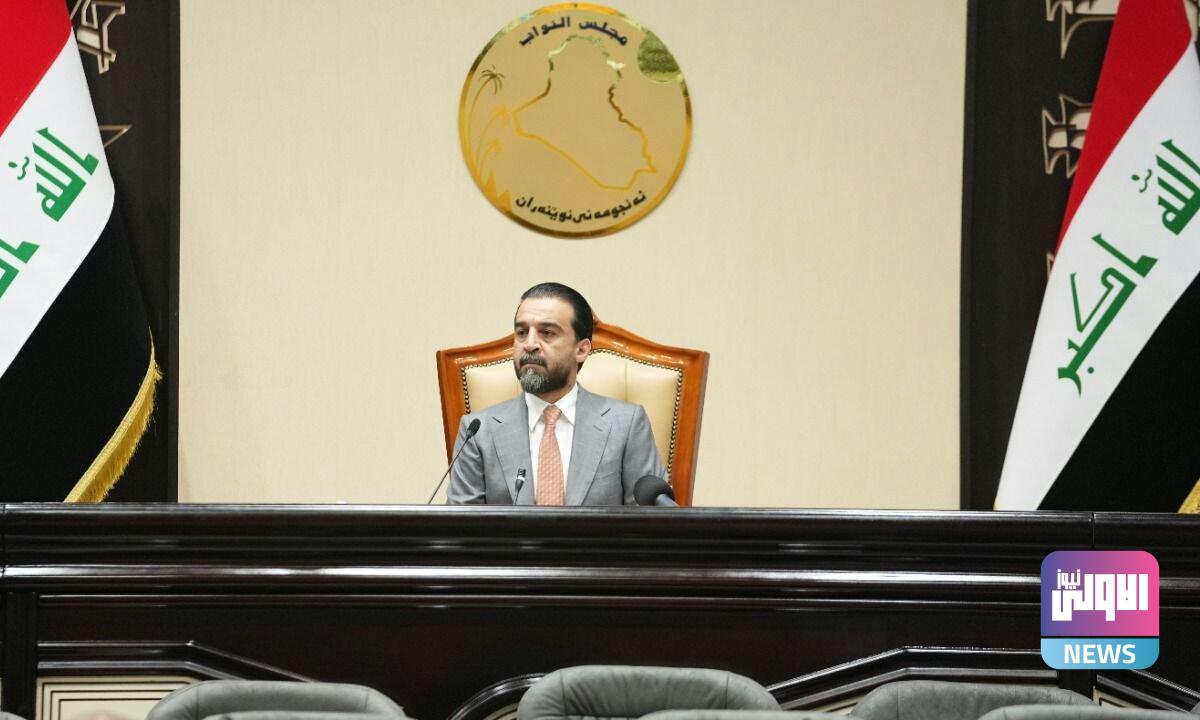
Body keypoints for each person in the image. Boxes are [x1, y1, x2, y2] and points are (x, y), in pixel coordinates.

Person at [446, 283, 665, 505]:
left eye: (547, 333)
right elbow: (461, 524)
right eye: (521, 333)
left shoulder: (626, 426)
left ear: (582, 349)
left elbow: (650, 520)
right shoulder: (478, 432)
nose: (530, 344)